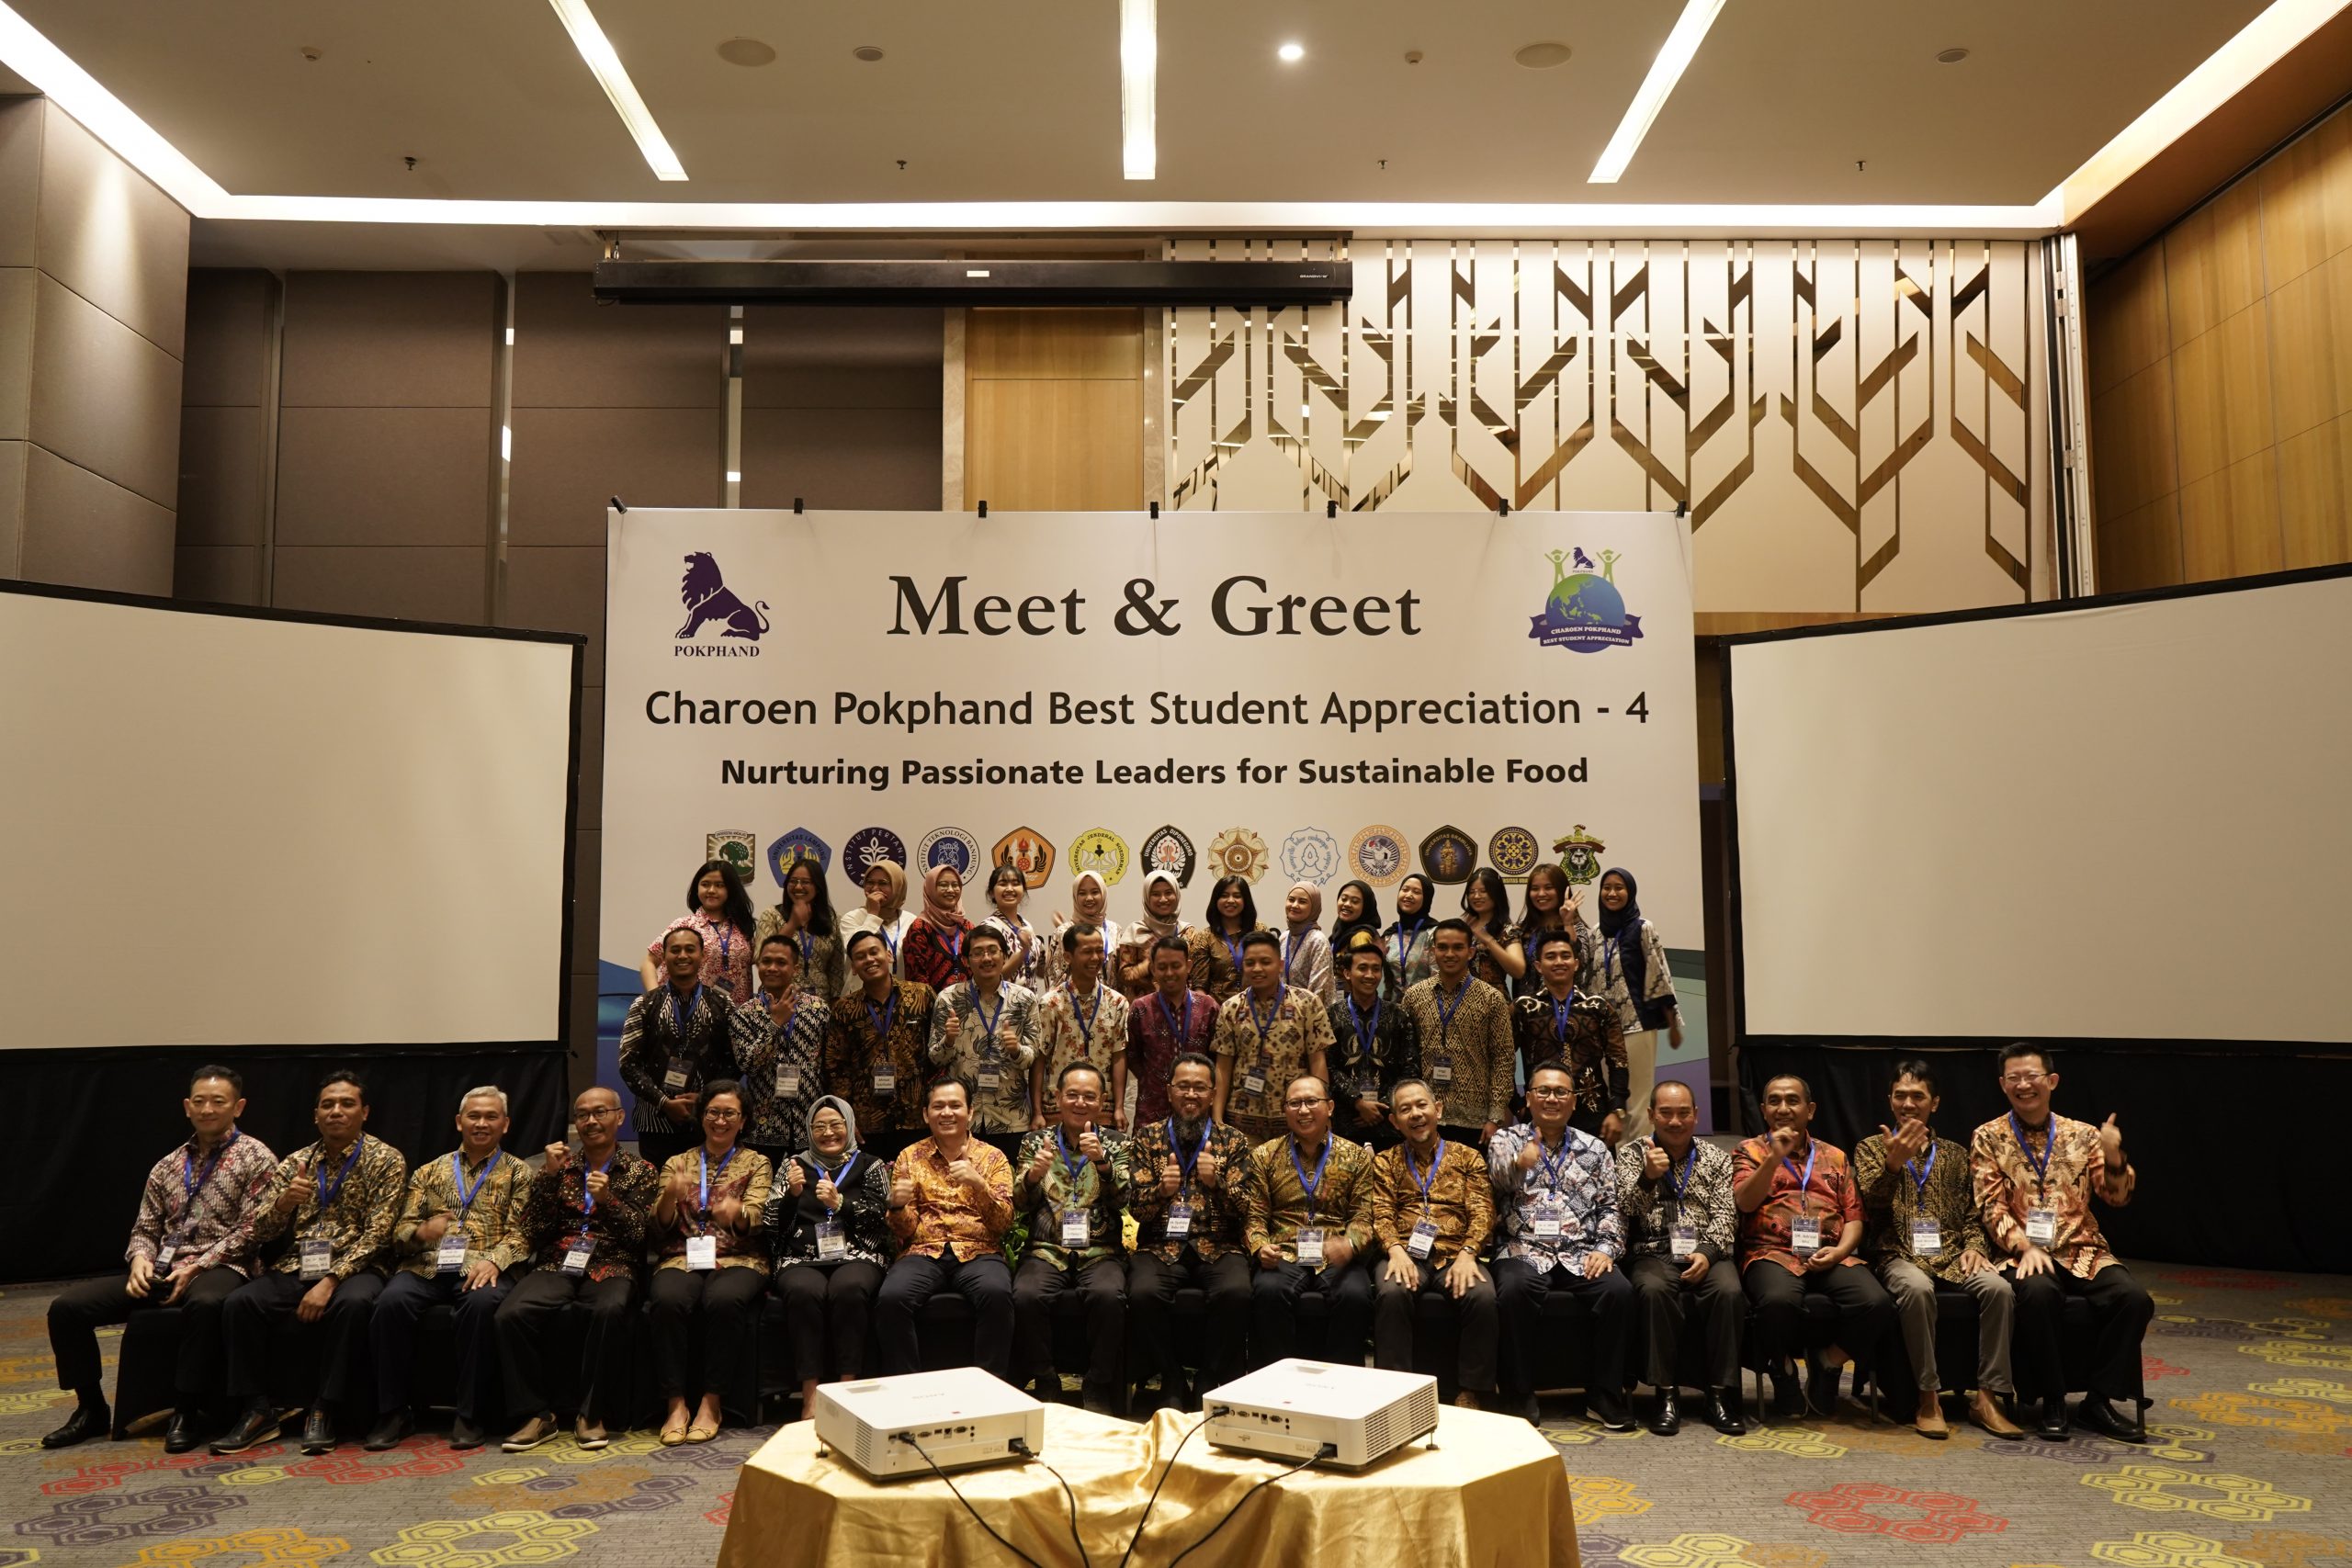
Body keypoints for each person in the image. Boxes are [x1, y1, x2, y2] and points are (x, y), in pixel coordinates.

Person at [43, 1065, 277, 1453]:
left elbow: (253, 1231)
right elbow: (145, 1228)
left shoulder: (257, 1158)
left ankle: (185, 1409)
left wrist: (198, 1265)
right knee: (67, 1309)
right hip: (163, 1268)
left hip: (223, 1265)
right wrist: (140, 1261)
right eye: (199, 1101)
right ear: (187, 1107)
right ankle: (91, 1408)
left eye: (218, 1102)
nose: (207, 1109)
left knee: (206, 1303)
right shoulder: (168, 1165)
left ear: (238, 1107)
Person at [213, 1072, 407, 1456]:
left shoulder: (386, 1159)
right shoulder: (297, 1162)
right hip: (299, 1263)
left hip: (360, 1265)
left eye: (347, 1104)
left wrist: (331, 1281)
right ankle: (258, 1409)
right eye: (327, 1105)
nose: (336, 1111)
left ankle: (324, 1407)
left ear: (365, 1112)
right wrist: (284, 1203)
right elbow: (261, 1230)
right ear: (315, 1114)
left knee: (353, 1304)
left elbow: (380, 1234)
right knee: (240, 1303)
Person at [1972, 1043, 2152, 1443]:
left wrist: (2114, 1157)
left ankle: (2098, 1400)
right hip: (2021, 1252)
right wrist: (2024, 1246)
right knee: (2037, 1294)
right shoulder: (1988, 1136)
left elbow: (2116, 1197)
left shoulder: (2083, 1135)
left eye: (2031, 1076)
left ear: (2051, 1081)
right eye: (2014, 1078)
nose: (2023, 1085)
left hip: (2082, 1249)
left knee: (2134, 1299)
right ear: (2003, 1085)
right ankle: (2052, 1399)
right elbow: (1989, 1206)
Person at [1853, 1060, 2025, 1439]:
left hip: (1950, 1256)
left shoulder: (1955, 1154)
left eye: (1917, 1096)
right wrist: (1893, 1164)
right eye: (1900, 1095)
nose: (1907, 1103)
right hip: (1896, 1254)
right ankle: (1928, 1397)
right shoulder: (1870, 1148)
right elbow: (1869, 1207)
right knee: (1917, 1289)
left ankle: (1987, 1398)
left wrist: (1976, 1247)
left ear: (1934, 1103)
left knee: (1999, 1289)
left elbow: (1972, 1214)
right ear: (1889, 1100)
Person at [366, 1086, 531, 1451]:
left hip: (483, 1266)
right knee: (390, 1303)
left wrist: (494, 1260)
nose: (481, 1123)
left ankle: (470, 1414)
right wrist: (419, 1232)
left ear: (505, 1124)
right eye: (474, 1116)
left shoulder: (519, 1173)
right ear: (459, 1122)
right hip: (426, 1266)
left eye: (491, 1117)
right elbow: (400, 1231)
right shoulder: (429, 1171)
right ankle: (393, 1412)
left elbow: (523, 1234)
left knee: (481, 1305)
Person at [497, 1086, 659, 1452]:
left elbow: (640, 1236)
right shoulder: (561, 1166)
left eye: (600, 1112)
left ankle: (591, 1413)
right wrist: (549, 1178)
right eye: (582, 1114)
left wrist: (607, 1200)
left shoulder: (641, 1170)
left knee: (609, 1310)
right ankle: (537, 1414)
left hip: (613, 1262)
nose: (591, 1121)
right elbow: (535, 1230)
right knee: (511, 1313)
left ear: (619, 1117)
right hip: (558, 1262)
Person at [1735, 1074, 1893, 1420]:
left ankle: (1829, 1362)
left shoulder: (1835, 1156)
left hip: (1831, 1253)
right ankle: (1783, 1369)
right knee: (1776, 1302)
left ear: (1810, 1110)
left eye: (1792, 1100)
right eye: (1774, 1101)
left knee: (1877, 1303)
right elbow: (1745, 1202)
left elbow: (1854, 1217)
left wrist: (1841, 1252)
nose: (1783, 1108)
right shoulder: (1749, 1151)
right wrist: (1773, 1159)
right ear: (1763, 1110)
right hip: (1772, 1254)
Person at [1489, 1062, 1633, 1428]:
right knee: (1514, 1290)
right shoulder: (1506, 1139)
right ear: (1528, 1098)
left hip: (1579, 1251)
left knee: (1617, 1290)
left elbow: (1611, 1207)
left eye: (1561, 1092)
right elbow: (1496, 1182)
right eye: (1543, 1091)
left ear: (1574, 1101)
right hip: (1523, 1247)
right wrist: (1519, 1165)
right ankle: (1519, 1392)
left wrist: (1605, 1249)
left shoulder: (1595, 1148)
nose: (1551, 1099)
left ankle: (1603, 1393)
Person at [1614, 1081, 1744, 1436]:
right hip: (1652, 1251)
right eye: (1666, 1113)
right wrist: (1648, 1178)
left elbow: (1726, 1213)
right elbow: (1626, 1209)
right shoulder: (1632, 1154)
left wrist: (1707, 1253)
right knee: (1654, 1290)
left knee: (1729, 1292)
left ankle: (1720, 1396)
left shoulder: (1716, 1157)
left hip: (1707, 1250)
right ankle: (1665, 1394)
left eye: (1683, 1113)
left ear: (1696, 1115)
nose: (1675, 1121)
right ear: (1651, 1115)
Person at [1126, 1054, 1255, 1409]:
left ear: (1213, 1094)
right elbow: (1136, 1209)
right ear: (1169, 1092)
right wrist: (1161, 1191)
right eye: (1183, 1086)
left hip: (1219, 1245)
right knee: (1142, 1292)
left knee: (1238, 1291)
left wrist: (1217, 1184)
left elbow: (1245, 1208)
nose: (1191, 1094)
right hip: (1160, 1245)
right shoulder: (1147, 1138)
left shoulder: (1233, 1140)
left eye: (1200, 1087)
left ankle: (1208, 1375)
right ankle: (1170, 1374)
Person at [648, 1080, 772, 1444]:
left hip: (739, 1257)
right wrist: (670, 1196)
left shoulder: (757, 1162)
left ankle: (711, 1402)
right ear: (702, 1117)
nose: (720, 1121)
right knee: (667, 1299)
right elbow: (659, 1224)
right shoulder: (678, 1162)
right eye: (713, 1112)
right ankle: (675, 1404)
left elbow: (758, 1217)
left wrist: (737, 1212)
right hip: (682, 1256)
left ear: (743, 1120)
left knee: (724, 1300)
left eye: (729, 1114)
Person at [1011, 1064, 1133, 1412]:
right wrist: (1033, 1176)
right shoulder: (1035, 1142)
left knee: (1109, 1296)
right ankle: (1045, 1378)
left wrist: (1103, 1164)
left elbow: (1125, 1200)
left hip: (1101, 1250)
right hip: (1046, 1249)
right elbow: (1020, 1204)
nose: (1081, 1103)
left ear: (1102, 1101)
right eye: (1073, 1095)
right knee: (1025, 1296)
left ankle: (1097, 1382)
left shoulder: (1117, 1142)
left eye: (1089, 1096)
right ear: (1058, 1097)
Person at [1370, 1079, 1499, 1408]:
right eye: (1405, 1109)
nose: (1415, 1114)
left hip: (1456, 1253)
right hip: (1404, 1253)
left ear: (1438, 1110)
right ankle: (1395, 1393)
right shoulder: (1385, 1162)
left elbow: (1483, 1211)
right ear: (1395, 1121)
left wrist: (1469, 1253)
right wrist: (1394, 1251)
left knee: (1482, 1295)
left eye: (1421, 1105)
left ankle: (1471, 1391)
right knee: (1392, 1291)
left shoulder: (1468, 1157)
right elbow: (1381, 1213)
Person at [877, 1077, 1016, 1379]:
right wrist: (897, 1207)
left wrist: (979, 1185)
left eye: (955, 1105)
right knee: (891, 1298)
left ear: (970, 1111)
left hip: (979, 1250)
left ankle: (990, 1390)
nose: (947, 1113)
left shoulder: (992, 1158)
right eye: (938, 1106)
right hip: (924, 1251)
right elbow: (905, 1230)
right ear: (926, 1114)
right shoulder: (910, 1157)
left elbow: (1002, 1224)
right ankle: (907, 1389)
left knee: (996, 1293)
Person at [1239, 1076, 1375, 1369]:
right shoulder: (1264, 1156)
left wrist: (1351, 1243)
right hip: (1284, 1251)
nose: (1303, 1110)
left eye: (1311, 1101)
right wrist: (1260, 1246)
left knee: (1355, 1295)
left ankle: (1341, 1382)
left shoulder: (1355, 1156)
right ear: (1284, 1110)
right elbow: (1255, 1215)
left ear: (1330, 1107)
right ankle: (1275, 1381)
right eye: (1294, 1103)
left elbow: (1363, 1215)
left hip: (1336, 1252)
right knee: (1268, 1291)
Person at [769, 1096, 892, 1416]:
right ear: (809, 1130)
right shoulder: (793, 1165)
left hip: (858, 1254)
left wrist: (840, 1204)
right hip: (801, 1257)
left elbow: (883, 1218)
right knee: (803, 1291)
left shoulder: (870, 1164)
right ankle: (810, 1394)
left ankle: (845, 1390)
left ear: (850, 1126)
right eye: (819, 1126)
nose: (828, 1133)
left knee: (849, 1289)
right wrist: (792, 1197)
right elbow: (770, 1223)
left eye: (836, 1125)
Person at [619, 926, 740, 1170]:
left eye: (689, 949)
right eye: (675, 950)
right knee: (660, 1187)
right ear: (664, 957)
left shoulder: (723, 1004)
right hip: (654, 1121)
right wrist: (664, 1102)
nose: (682, 955)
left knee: (706, 1187)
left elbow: (734, 1061)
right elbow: (628, 1064)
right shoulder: (644, 1005)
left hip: (709, 1119)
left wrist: (705, 1099)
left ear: (703, 956)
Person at [926, 920, 1041, 1161]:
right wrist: (949, 1040)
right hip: (963, 1120)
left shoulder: (1025, 999)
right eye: (978, 953)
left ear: (1004, 955)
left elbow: (1031, 1059)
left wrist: (1016, 1049)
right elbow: (935, 1059)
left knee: (1007, 1181)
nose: (986, 958)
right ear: (967, 960)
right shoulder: (949, 998)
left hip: (1010, 1118)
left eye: (992, 951)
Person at [1211, 930, 1335, 1145]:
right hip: (1241, 1123)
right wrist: (1217, 1119)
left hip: (1296, 1121)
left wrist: (1322, 1114)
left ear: (1280, 965)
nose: (1257, 968)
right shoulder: (1230, 1008)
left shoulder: (1307, 1003)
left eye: (1265, 962)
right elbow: (1223, 1066)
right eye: (1250, 963)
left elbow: (1317, 1061)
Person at [1398, 919, 1514, 1149]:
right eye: (1443, 947)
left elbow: (1503, 1058)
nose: (1450, 954)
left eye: (1458, 947)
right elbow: (1406, 1057)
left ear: (1470, 952)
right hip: (1425, 1116)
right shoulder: (1414, 997)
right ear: (1433, 952)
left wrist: (1495, 1117)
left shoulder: (1491, 998)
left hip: (1476, 1121)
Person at [827, 929, 934, 1163]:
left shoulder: (921, 995)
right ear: (853, 967)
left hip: (917, 1118)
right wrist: (846, 1117)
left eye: (874, 952)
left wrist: (934, 1107)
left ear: (889, 955)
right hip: (868, 1123)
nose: (869, 959)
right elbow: (836, 1069)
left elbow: (937, 1055)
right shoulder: (844, 1009)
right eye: (860, 956)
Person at [1594, 868, 1683, 1140]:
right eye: (1607, 887)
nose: (1612, 893)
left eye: (1619, 887)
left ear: (1630, 892)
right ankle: (1614, 1159)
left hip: (1637, 1025)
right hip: (1602, 1030)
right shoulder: (1596, 932)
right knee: (1612, 1100)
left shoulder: (1643, 928)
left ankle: (1639, 1157)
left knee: (1638, 1099)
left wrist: (1672, 1023)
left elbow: (1659, 974)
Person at [1511, 931, 1626, 1142]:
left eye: (1565, 956)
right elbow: (1501, 1059)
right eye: (1551, 956)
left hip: (1593, 1110)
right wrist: (1516, 1105)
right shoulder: (1523, 1008)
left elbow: (1618, 1060)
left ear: (1576, 963)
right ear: (1538, 966)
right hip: (1541, 1108)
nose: (1559, 962)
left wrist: (1617, 1109)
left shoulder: (1597, 1007)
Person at [731, 933, 830, 1168]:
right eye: (766, 961)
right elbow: (748, 1066)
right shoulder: (744, 1014)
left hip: (811, 1125)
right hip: (764, 1128)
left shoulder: (818, 1009)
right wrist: (775, 1024)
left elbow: (830, 1066)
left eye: (781, 962)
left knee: (812, 1188)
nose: (772, 968)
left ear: (795, 968)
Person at [1324, 932, 1420, 1151]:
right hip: (1346, 1121)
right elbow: (1328, 1067)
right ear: (1347, 973)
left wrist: (1381, 1107)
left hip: (1389, 1122)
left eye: (1376, 969)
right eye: (1362, 968)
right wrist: (1358, 1102)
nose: (1370, 975)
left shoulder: (1399, 1015)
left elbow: (1411, 1068)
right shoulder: (1331, 1015)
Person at [1035, 923, 1131, 1128]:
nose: (1095, 958)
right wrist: (1036, 1111)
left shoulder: (1117, 1002)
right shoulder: (1051, 1003)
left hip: (1102, 1106)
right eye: (1087, 952)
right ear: (1068, 957)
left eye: (1099, 951)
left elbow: (1119, 1055)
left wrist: (1119, 1107)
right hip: (1057, 1106)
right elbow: (1040, 1058)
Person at [1125, 935, 1218, 1130]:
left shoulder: (1208, 1007)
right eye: (1162, 967)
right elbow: (1132, 1056)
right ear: (1152, 969)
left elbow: (1216, 1058)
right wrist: (1156, 1078)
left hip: (1197, 1107)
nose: (1169, 973)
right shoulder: (1140, 1008)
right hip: (1153, 1108)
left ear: (1189, 966)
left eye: (1176, 966)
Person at [640, 859, 758, 1003]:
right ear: (697, 889)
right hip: (688, 1011)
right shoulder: (683, 926)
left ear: (731, 890)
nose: (711, 890)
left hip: (736, 1012)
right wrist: (656, 998)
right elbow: (648, 962)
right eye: (705, 884)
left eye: (719, 885)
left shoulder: (743, 927)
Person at [754, 855, 846, 1001]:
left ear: (818, 887)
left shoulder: (831, 919)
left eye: (805, 882)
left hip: (820, 1002)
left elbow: (836, 969)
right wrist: (792, 924)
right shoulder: (772, 915)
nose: (798, 887)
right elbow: (760, 958)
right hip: (779, 999)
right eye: (793, 881)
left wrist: (835, 1002)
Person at [1508, 864, 1589, 998]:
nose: (1541, 894)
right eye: (1535, 889)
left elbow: (1580, 964)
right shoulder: (1522, 929)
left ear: (1561, 890)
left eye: (1548, 888)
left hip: (1566, 1004)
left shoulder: (1575, 926)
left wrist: (1567, 922)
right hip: (1528, 1006)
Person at [836, 859, 914, 996]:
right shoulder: (851, 918)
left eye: (883, 883)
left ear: (898, 887)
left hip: (903, 998)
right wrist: (872, 914)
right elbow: (854, 949)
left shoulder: (911, 921)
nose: (874, 888)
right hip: (860, 998)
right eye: (870, 882)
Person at [1117, 869, 1191, 999]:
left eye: (1168, 893)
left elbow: (1195, 975)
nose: (1163, 899)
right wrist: (1149, 964)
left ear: (1177, 895)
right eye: (1156, 894)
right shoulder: (1135, 931)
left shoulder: (1187, 932)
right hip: (1143, 1006)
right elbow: (1124, 977)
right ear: (1147, 898)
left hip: (1182, 1005)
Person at [1046, 870, 1125, 991]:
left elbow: (1122, 977)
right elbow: (1053, 979)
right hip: (1072, 1001)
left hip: (1110, 1001)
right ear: (1075, 896)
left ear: (1103, 894)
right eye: (1082, 893)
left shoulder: (1115, 930)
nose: (1089, 898)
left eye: (1095, 892)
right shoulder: (1062, 932)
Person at [903, 863, 974, 991]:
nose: (951, 890)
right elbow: (917, 981)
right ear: (930, 889)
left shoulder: (967, 926)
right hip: (931, 1002)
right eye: (943, 885)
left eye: (955, 885)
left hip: (970, 1001)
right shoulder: (920, 928)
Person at [1190, 874, 1260, 1002]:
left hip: (1255, 1007)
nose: (1231, 900)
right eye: (1224, 896)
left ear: (1245, 900)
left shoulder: (1259, 931)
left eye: (1237, 896)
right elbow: (1199, 986)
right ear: (1216, 900)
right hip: (1218, 1010)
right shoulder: (1205, 937)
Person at [982, 862, 1047, 987]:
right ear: (991, 893)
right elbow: (991, 979)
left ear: (1023, 890)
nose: (1010, 889)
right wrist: (1022, 953)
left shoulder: (1026, 925)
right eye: (1003, 884)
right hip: (1002, 999)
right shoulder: (988, 928)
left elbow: (1040, 973)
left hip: (1030, 999)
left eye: (1016, 883)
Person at [1461, 867, 1526, 991]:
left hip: (1495, 998)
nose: (1476, 896)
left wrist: (1488, 940)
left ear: (1496, 894)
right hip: (1463, 998)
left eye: (1483, 891)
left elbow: (1518, 971)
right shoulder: (1464, 928)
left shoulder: (1507, 930)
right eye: (1472, 892)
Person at [1279, 882, 1336, 1002]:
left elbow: (1318, 991)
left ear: (1314, 907)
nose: (1295, 905)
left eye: (1302, 902)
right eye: (1291, 899)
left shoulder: (1318, 941)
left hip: (1309, 1011)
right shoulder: (1284, 937)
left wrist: (1298, 1010)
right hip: (1282, 1011)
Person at [1383, 874, 1437, 996]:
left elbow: (1438, 978)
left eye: (1416, 892)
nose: (1408, 895)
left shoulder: (1434, 933)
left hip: (1426, 1003)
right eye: (1405, 890)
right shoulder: (1390, 935)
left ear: (1426, 899)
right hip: (1394, 1005)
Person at [1329, 879, 1382, 955]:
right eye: (1344, 899)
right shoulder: (1338, 933)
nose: (1347, 904)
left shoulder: (1361, 938)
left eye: (1355, 901)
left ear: (1365, 908)